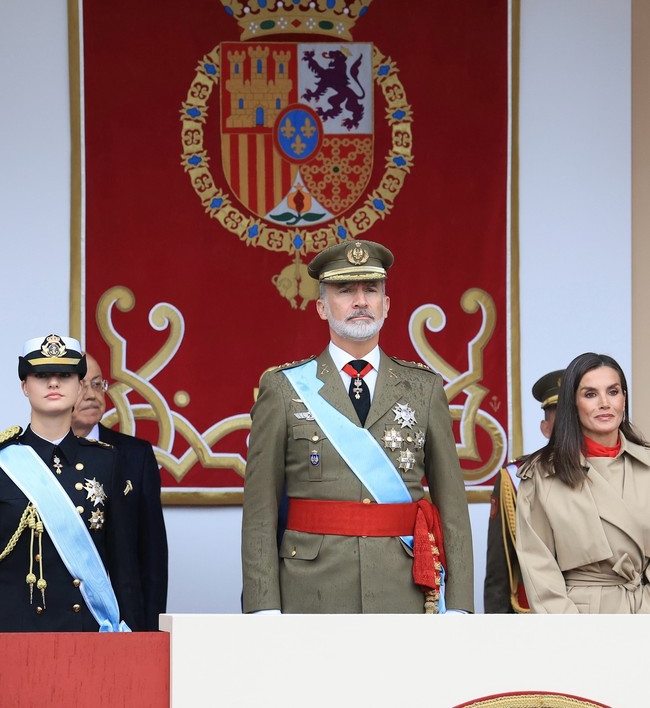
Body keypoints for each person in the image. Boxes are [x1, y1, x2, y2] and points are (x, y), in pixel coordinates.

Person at [241, 239, 474, 614]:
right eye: (345, 290)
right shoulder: (284, 388)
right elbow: (259, 511)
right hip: (310, 590)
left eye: (371, 290)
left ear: (387, 304)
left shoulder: (423, 388)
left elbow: (453, 508)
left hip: (403, 588)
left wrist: (461, 604)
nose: (361, 301)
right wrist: (262, 605)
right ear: (321, 307)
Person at [0, 334, 139, 631]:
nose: (53, 383)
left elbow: (124, 567)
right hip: (14, 634)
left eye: (64, 375)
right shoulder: (4, 461)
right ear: (25, 386)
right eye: (42, 376)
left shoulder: (107, 462)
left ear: (79, 386)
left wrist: (131, 639)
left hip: (87, 632)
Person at [516, 352, 650, 613]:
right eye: (590, 394)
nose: (604, 403)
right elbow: (539, 570)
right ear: (572, 404)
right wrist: (575, 633)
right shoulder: (542, 475)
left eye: (613, 392)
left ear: (624, 399)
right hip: (582, 617)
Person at [72, 352, 168, 631]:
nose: (92, 395)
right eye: (81, 386)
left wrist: (151, 630)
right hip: (56, 619)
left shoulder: (136, 455)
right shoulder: (33, 457)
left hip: (124, 622)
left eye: (97, 384)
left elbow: (152, 556)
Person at [483, 368, 564, 613]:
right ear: (545, 427)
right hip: (537, 610)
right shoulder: (516, 477)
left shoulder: (615, 469)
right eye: (560, 416)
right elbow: (500, 566)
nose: (569, 424)